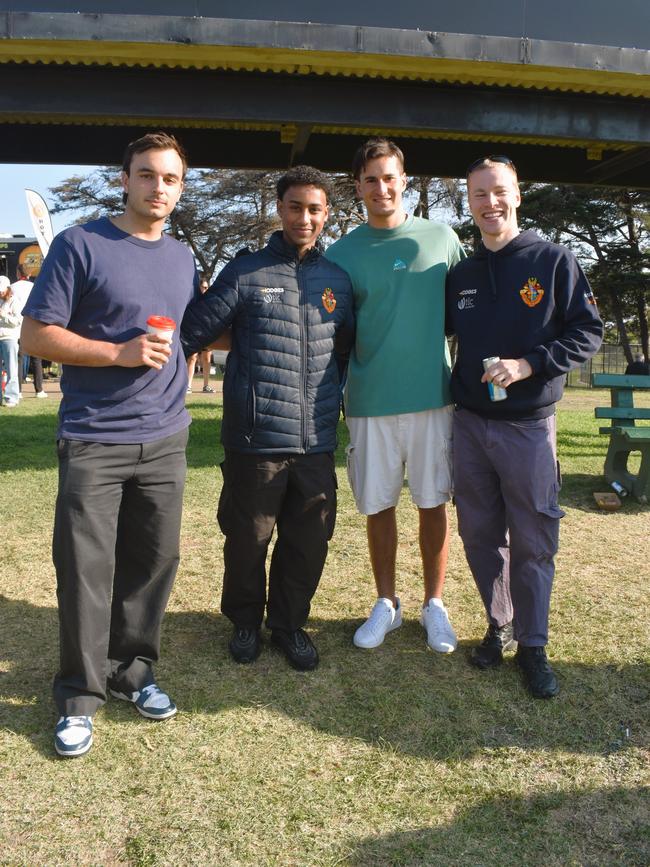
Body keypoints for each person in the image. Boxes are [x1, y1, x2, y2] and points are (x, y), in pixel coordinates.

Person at [21, 131, 198, 757]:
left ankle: (133, 672)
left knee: (152, 567)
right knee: (85, 572)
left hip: (167, 439)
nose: (158, 188)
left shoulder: (182, 256)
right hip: (95, 439)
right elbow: (36, 337)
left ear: (181, 186)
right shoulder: (80, 244)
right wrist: (116, 353)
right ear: (124, 179)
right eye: (146, 175)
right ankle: (78, 695)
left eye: (171, 178)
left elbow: (186, 334)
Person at [181, 165, 354, 671]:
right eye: (295, 207)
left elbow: (343, 350)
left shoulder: (338, 282)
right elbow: (193, 332)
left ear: (326, 214)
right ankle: (243, 622)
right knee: (247, 539)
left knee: (309, 540)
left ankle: (290, 626)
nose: (305, 217)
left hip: (317, 440)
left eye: (315, 209)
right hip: (255, 440)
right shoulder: (246, 272)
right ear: (279, 209)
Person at [446, 155, 603, 698]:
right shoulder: (461, 274)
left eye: (499, 191)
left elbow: (588, 332)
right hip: (469, 425)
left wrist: (529, 364)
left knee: (533, 538)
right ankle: (501, 624)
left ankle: (534, 645)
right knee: (479, 535)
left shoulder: (554, 260)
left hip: (528, 427)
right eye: (478, 194)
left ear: (518, 196)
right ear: (468, 203)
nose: (490, 203)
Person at [325, 138, 464, 654]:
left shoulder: (443, 238)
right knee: (377, 506)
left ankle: (434, 604)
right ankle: (387, 602)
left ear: (403, 178)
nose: (381, 187)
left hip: (434, 397)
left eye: (389, 177)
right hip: (368, 402)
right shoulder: (341, 254)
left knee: (434, 503)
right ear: (357, 186)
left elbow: (470, 310)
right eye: (370, 179)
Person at [12, 265, 48, 399]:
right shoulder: (34, 287)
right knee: (36, 360)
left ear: (17, 273)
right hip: (34, 325)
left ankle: (19, 390)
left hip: (17, 326)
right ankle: (39, 390)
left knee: (20, 359)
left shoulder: (12, 287)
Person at [186, 274, 215, 394]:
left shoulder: (211, 300)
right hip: (193, 332)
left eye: (207, 287)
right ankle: (188, 386)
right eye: (203, 287)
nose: (205, 289)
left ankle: (206, 385)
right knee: (192, 358)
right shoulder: (192, 300)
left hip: (207, 332)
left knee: (207, 358)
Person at [0, 276, 22, 407]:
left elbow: (18, 321)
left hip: (10, 338)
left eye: (2, 290)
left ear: (8, 288)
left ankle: (11, 397)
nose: (1, 292)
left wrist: (4, 316)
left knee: (11, 368)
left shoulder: (14, 301)